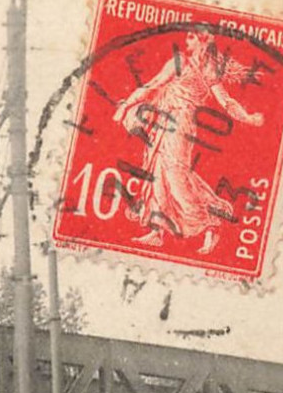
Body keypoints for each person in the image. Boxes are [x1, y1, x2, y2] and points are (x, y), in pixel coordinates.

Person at [112, 29, 266, 255]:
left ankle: (210, 222)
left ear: (203, 41)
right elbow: (153, 84)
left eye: (192, 37)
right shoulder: (179, 61)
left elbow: (226, 101)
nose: (187, 41)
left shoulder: (208, 70)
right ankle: (157, 230)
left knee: (176, 177)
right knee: (159, 174)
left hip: (181, 124)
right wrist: (127, 105)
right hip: (162, 119)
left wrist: (248, 118)